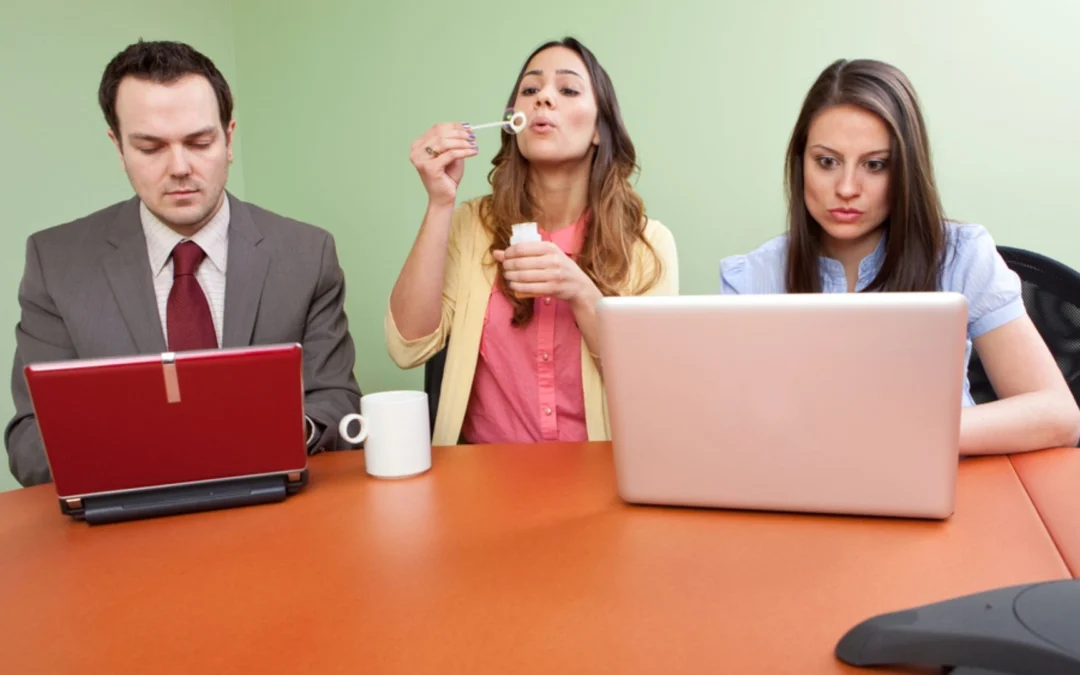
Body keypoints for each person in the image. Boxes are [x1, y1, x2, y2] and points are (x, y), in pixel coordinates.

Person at [5, 40, 361, 486]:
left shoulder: (307, 254)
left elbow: (338, 402)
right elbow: (29, 442)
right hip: (123, 530)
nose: (179, 167)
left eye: (199, 142)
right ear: (118, 147)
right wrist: (165, 451)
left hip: (275, 517)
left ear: (229, 138)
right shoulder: (55, 263)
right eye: (151, 147)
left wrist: (287, 433)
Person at [719, 58, 1080, 456]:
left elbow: (1058, 415)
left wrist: (901, 433)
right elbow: (732, 424)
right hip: (797, 486)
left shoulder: (961, 256)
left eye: (874, 165)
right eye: (826, 162)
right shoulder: (750, 277)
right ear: (800, 162)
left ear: (905, 170)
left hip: (950, 486)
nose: (846, 187)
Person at [386, 37, 678, 446]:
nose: (543, 98)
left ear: (599, 130)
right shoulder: (472, 226)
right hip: (480, 488)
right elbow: (407, 348)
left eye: (568, 89)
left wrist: (581, 292)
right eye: (530, 89)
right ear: (513, 122)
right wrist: (439, 203)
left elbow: (654, 388)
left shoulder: (647, 243)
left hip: (600, 481)